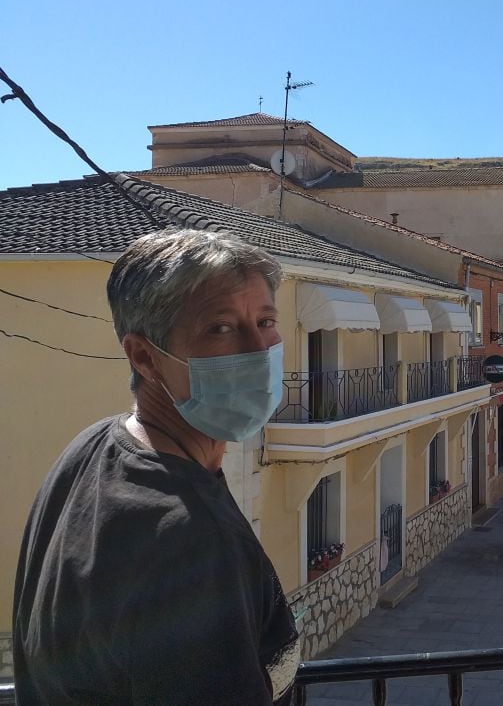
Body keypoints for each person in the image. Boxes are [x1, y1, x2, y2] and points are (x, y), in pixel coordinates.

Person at [13, 228, 299, 705]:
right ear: (145, 356)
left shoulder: (93, 445)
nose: (258, 350)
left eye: (265, 321)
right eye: (220, 328)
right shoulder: (193, 538)